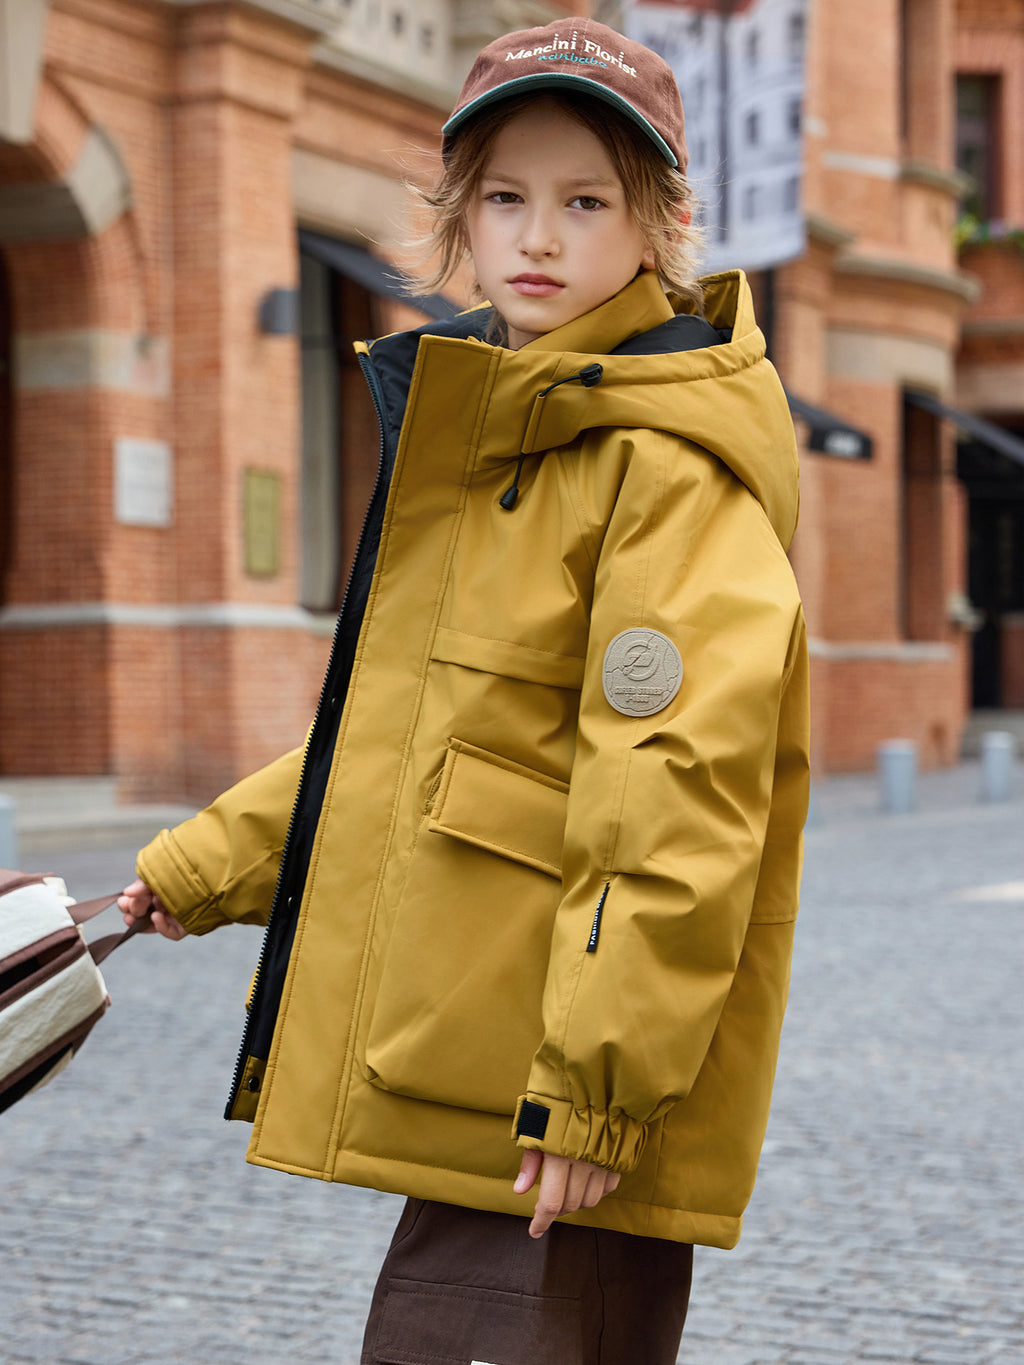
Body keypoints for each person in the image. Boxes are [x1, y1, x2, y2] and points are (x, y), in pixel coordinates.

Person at [120, 16, 809, 1364]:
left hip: (557, 1095)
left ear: (658, 225)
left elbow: (675, 786)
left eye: (583, 201)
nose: (537, 236)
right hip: (492, 1072)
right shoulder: (515, 430)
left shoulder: (657, 461)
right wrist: (203, 864)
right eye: (505, 197)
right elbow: (411, 736)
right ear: (458, 216)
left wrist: (599, 1097)